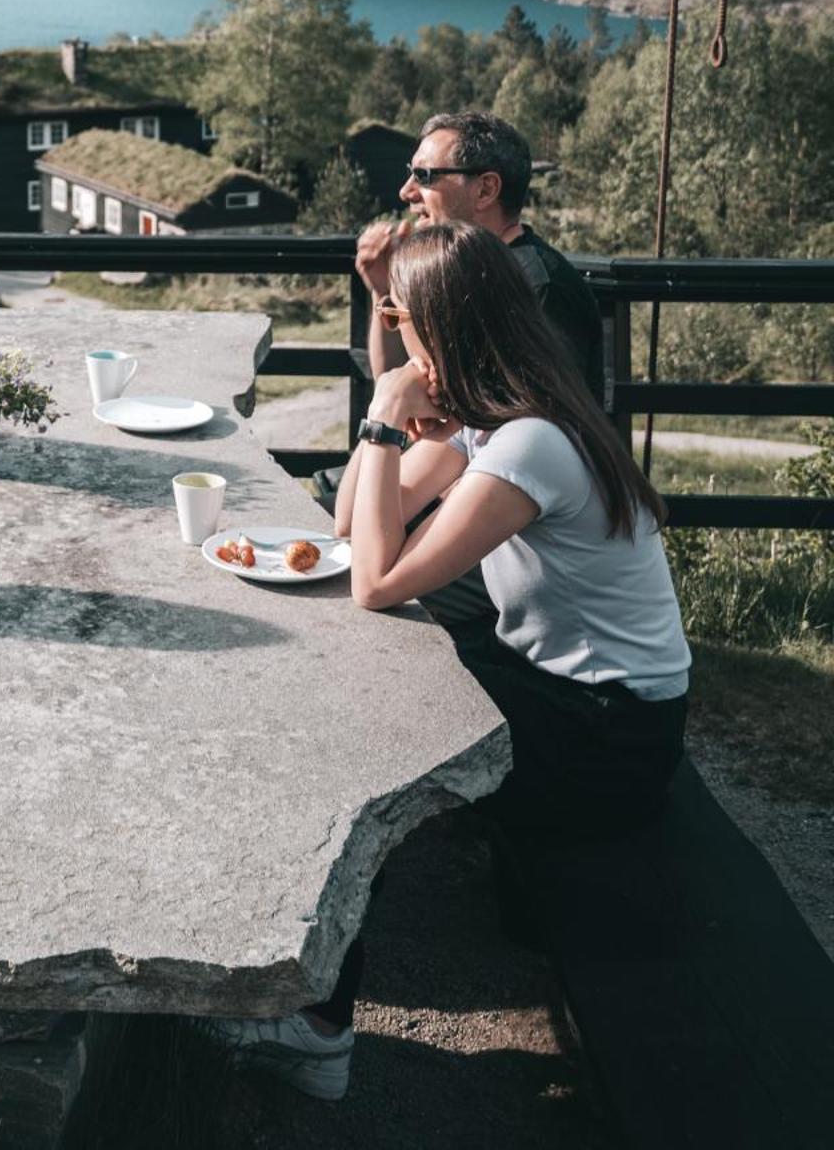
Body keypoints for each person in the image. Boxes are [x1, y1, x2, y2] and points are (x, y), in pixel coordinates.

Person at [198, 222, 688, 1102]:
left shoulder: (530, 443)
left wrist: (384, 421)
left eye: (406, 323)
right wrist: (389, 425)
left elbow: (376, 581)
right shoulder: (499, 417)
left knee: (375, 736)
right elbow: (350, 526)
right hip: (574, 699)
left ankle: (316, 1029)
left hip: (608, 735)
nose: (403, 345)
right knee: (380, 690)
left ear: (447, 329)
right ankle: (299, 978)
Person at [355, 109, 604, 397]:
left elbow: (532, 421)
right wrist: (385, 292)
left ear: (485, 190)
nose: (405, 191)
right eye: (410, 174)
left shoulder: (537, 286)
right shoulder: (456, 273)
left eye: (423, 176)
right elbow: (393, 385)